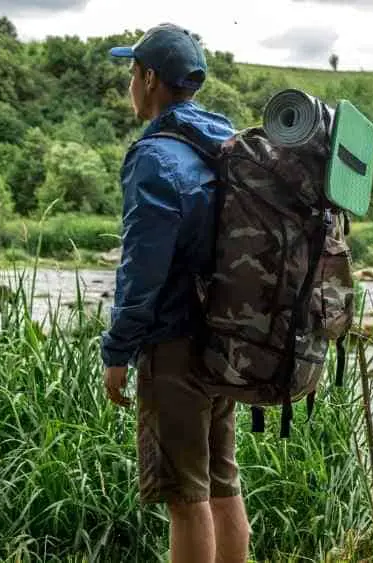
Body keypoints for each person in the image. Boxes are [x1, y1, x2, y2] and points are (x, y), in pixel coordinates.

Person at [102, 23, 250, 563]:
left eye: (131, 73)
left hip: (174, 343)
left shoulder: (155, 157)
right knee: (221, 484)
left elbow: (142, 272)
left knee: (185, 499)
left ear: (148, 78)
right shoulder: (221, 143)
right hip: (227, 333)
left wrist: (117, 350)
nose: (130, 84)